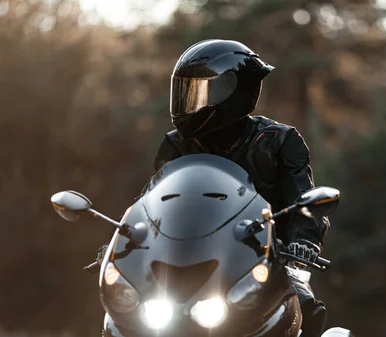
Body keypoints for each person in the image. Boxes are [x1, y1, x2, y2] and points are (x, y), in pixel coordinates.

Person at [96, 39, 330, 337]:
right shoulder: (176, 145)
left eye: (200, 91)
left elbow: (304, 203)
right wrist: (127, 237)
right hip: (179, 261)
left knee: (305, 306)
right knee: (123, 312)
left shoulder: (280, 142)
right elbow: (152, 202)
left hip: (261, 260)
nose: (188, 101)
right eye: (185, 91)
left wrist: (303, 243)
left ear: (234, 91)